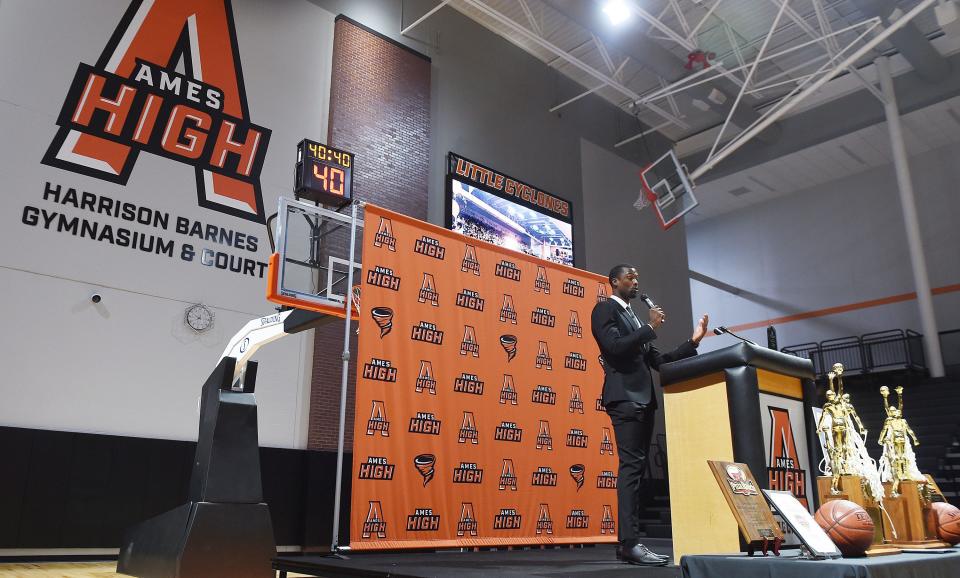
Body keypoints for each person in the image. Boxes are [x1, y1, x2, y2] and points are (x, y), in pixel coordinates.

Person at [591, 264, 709, 566]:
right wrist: (650, 327)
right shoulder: (605, 310)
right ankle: (629, 543)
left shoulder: (632, 317)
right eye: (629, 277)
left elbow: (659, 361)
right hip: (625, 399)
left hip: (644, 401)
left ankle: (630, 542)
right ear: (614, 281)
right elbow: (614, 347)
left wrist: (693, 341)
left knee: (637, 471)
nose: (635, 282)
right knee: (630, 469)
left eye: (636, 278)